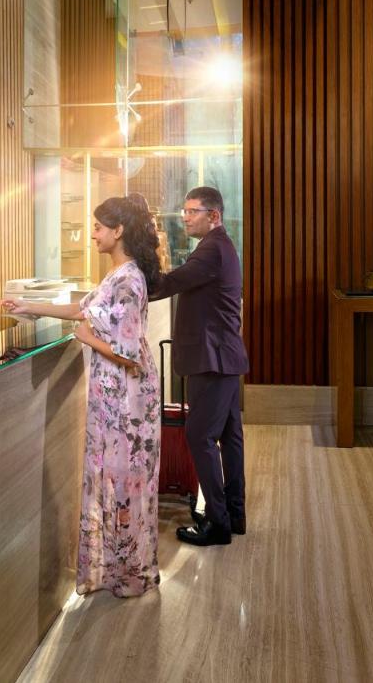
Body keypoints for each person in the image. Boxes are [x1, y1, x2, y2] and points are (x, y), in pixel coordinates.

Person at [3, 193, 162, 598]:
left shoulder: (128, 279)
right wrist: (30, 306)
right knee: (111, 476)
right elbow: (83, 310)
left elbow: (128, 355)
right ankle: (112, 569)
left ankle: (128, 575)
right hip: (114, 395)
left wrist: (87, 338)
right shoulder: (118, 273)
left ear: (118, 230)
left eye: (97, 227)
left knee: (123, 480)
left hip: (127, 399)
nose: (92, 235)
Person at [150, 186, 249, 547]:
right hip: (222, 356)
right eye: (185, 211)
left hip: (213, 358)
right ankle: (233, 515)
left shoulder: (211, 250)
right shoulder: (218, 246)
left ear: (215, 216)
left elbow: (170, 282)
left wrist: (134, 279)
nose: (186, 217)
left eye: (194, 211)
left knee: (198, 436)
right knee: (229, 438)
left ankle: (218, 523)